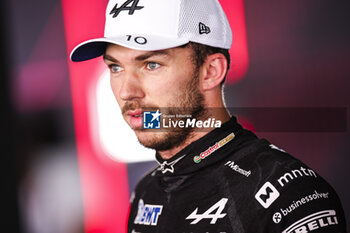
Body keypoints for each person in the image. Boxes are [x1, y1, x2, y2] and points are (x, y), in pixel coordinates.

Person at [70, 0, 347, 232]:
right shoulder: (146, 193)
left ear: (211, 71)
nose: (127, 91)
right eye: (115, 68)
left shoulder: (292, 195)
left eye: (151, 64)